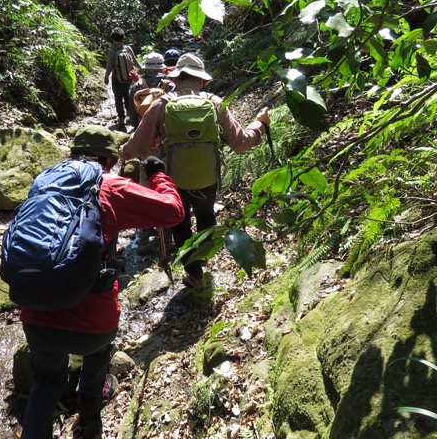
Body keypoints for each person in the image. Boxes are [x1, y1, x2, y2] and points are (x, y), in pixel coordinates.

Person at [19, 126, 184, 439]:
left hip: (36, 311)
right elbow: (173, 211)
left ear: (72, 153)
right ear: (109, 159)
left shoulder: (43, 181)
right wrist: (158, 175)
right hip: (92, 324)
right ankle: (89, 416)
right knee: (99, 349)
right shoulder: (109, 186)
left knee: (46, 381)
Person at [119, 53, 271, 289]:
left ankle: (194, 273)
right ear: (201, 81)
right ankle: (204, 257)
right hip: (207, 178)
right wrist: (260, 124)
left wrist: (122, 151)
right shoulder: (215, 104)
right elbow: (240, 143)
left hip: (174, 179)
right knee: (205, 214)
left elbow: (137, 146)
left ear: (176, 78)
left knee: (179, 223)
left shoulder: (161, 104)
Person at [103, 28, 138, 131]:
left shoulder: (112, 51)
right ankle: (128, 114)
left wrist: (106, 78)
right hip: (128, 77)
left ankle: (121, 119)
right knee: (127, 94)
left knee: (118, 98)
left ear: (113, 39)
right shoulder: (128, 49)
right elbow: (135, 61)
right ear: (124, 38)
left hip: (116, 78)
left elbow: (109, 67)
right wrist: (142, 70)